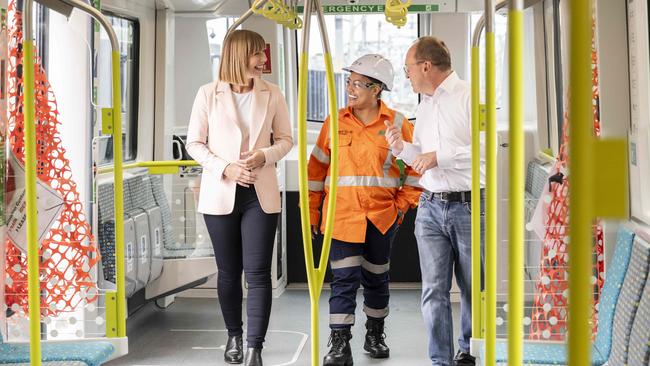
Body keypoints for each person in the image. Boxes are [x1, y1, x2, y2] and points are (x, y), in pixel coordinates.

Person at [186, 29, 293, 366]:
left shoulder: (272, 93)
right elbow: (195, 144)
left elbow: (287, 140)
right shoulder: (208, 94)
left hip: (260, 195)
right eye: (257, 54)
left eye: (262, 54)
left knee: (258, 271)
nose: (263, 60)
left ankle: (254, 348)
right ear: (238, 56)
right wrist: (226, 168)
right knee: (229, 271)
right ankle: (234, 335)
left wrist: (264, 154)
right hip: (221, 193)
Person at [308, 54, 422, 366]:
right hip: (341, 216)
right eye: (348, 82)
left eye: (357, 83)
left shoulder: (398, 124)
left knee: (376, 278)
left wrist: (401, 207)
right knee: (343, 279)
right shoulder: (334, 121)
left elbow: (414, 172)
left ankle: (375, 334)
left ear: (377, 89)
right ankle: (340, 343)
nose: (350, 89)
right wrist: (314, 214)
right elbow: (316, 171)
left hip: (381, 217)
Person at [384, 36, 485, 366]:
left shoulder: (471, 96)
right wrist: (402, 148)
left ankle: (468, 352)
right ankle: (440, 360)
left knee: (473, 289)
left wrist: (438, 157)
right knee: (433, 291)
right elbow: (422, 159)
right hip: (429, 207)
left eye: (408, 68)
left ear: (426, 66)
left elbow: (484, 150)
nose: (407, 75)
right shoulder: (424, 104)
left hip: (468, 205)